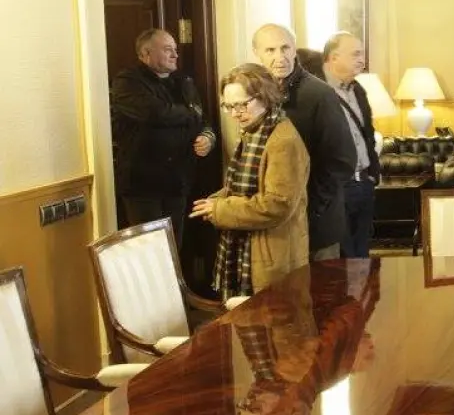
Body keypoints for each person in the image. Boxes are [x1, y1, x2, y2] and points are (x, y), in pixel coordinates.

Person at [191, 63, 310, 297]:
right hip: (258, 251)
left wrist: (220, 209)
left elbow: (277, 205)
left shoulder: (282, 140)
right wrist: (216, 200)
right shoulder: (255, 130)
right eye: (229, 106)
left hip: (273, 253)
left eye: (242, 104)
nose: (235, 113)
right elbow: (244, 187)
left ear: (265, 96)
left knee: (272, 318)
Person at [252, 24, 356, 261]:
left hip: (316, 223)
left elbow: (342, 161)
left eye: (285, 48)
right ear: (257, 53)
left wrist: (311, 206)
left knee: (323, 284)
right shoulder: (256, 93)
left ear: (294, 49)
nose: (280, 57)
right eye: (270, 50)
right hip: (277, 224)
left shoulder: (320, 94)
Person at [110, 29, 216, 259]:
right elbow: (155, 113)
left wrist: (208, 137)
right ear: (145, 54)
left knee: (173, 250)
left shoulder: (184, 82)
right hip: (143, 186)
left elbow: (202, 119)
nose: (175, 55)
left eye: (175, 49)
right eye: (168, 49)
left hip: (178, 182)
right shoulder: (127, 81)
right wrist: (189, 113)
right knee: (148, 254)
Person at [322, 32, 380, 259]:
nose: (361, 60)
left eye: (362, 54)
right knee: (341, 258)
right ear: (334, 57)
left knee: (361, 254)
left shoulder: (358, 90)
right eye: (356, 54)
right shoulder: (318, 92)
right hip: (336, 188)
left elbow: (368, 134)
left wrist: (372, 174)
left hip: (362, 183)